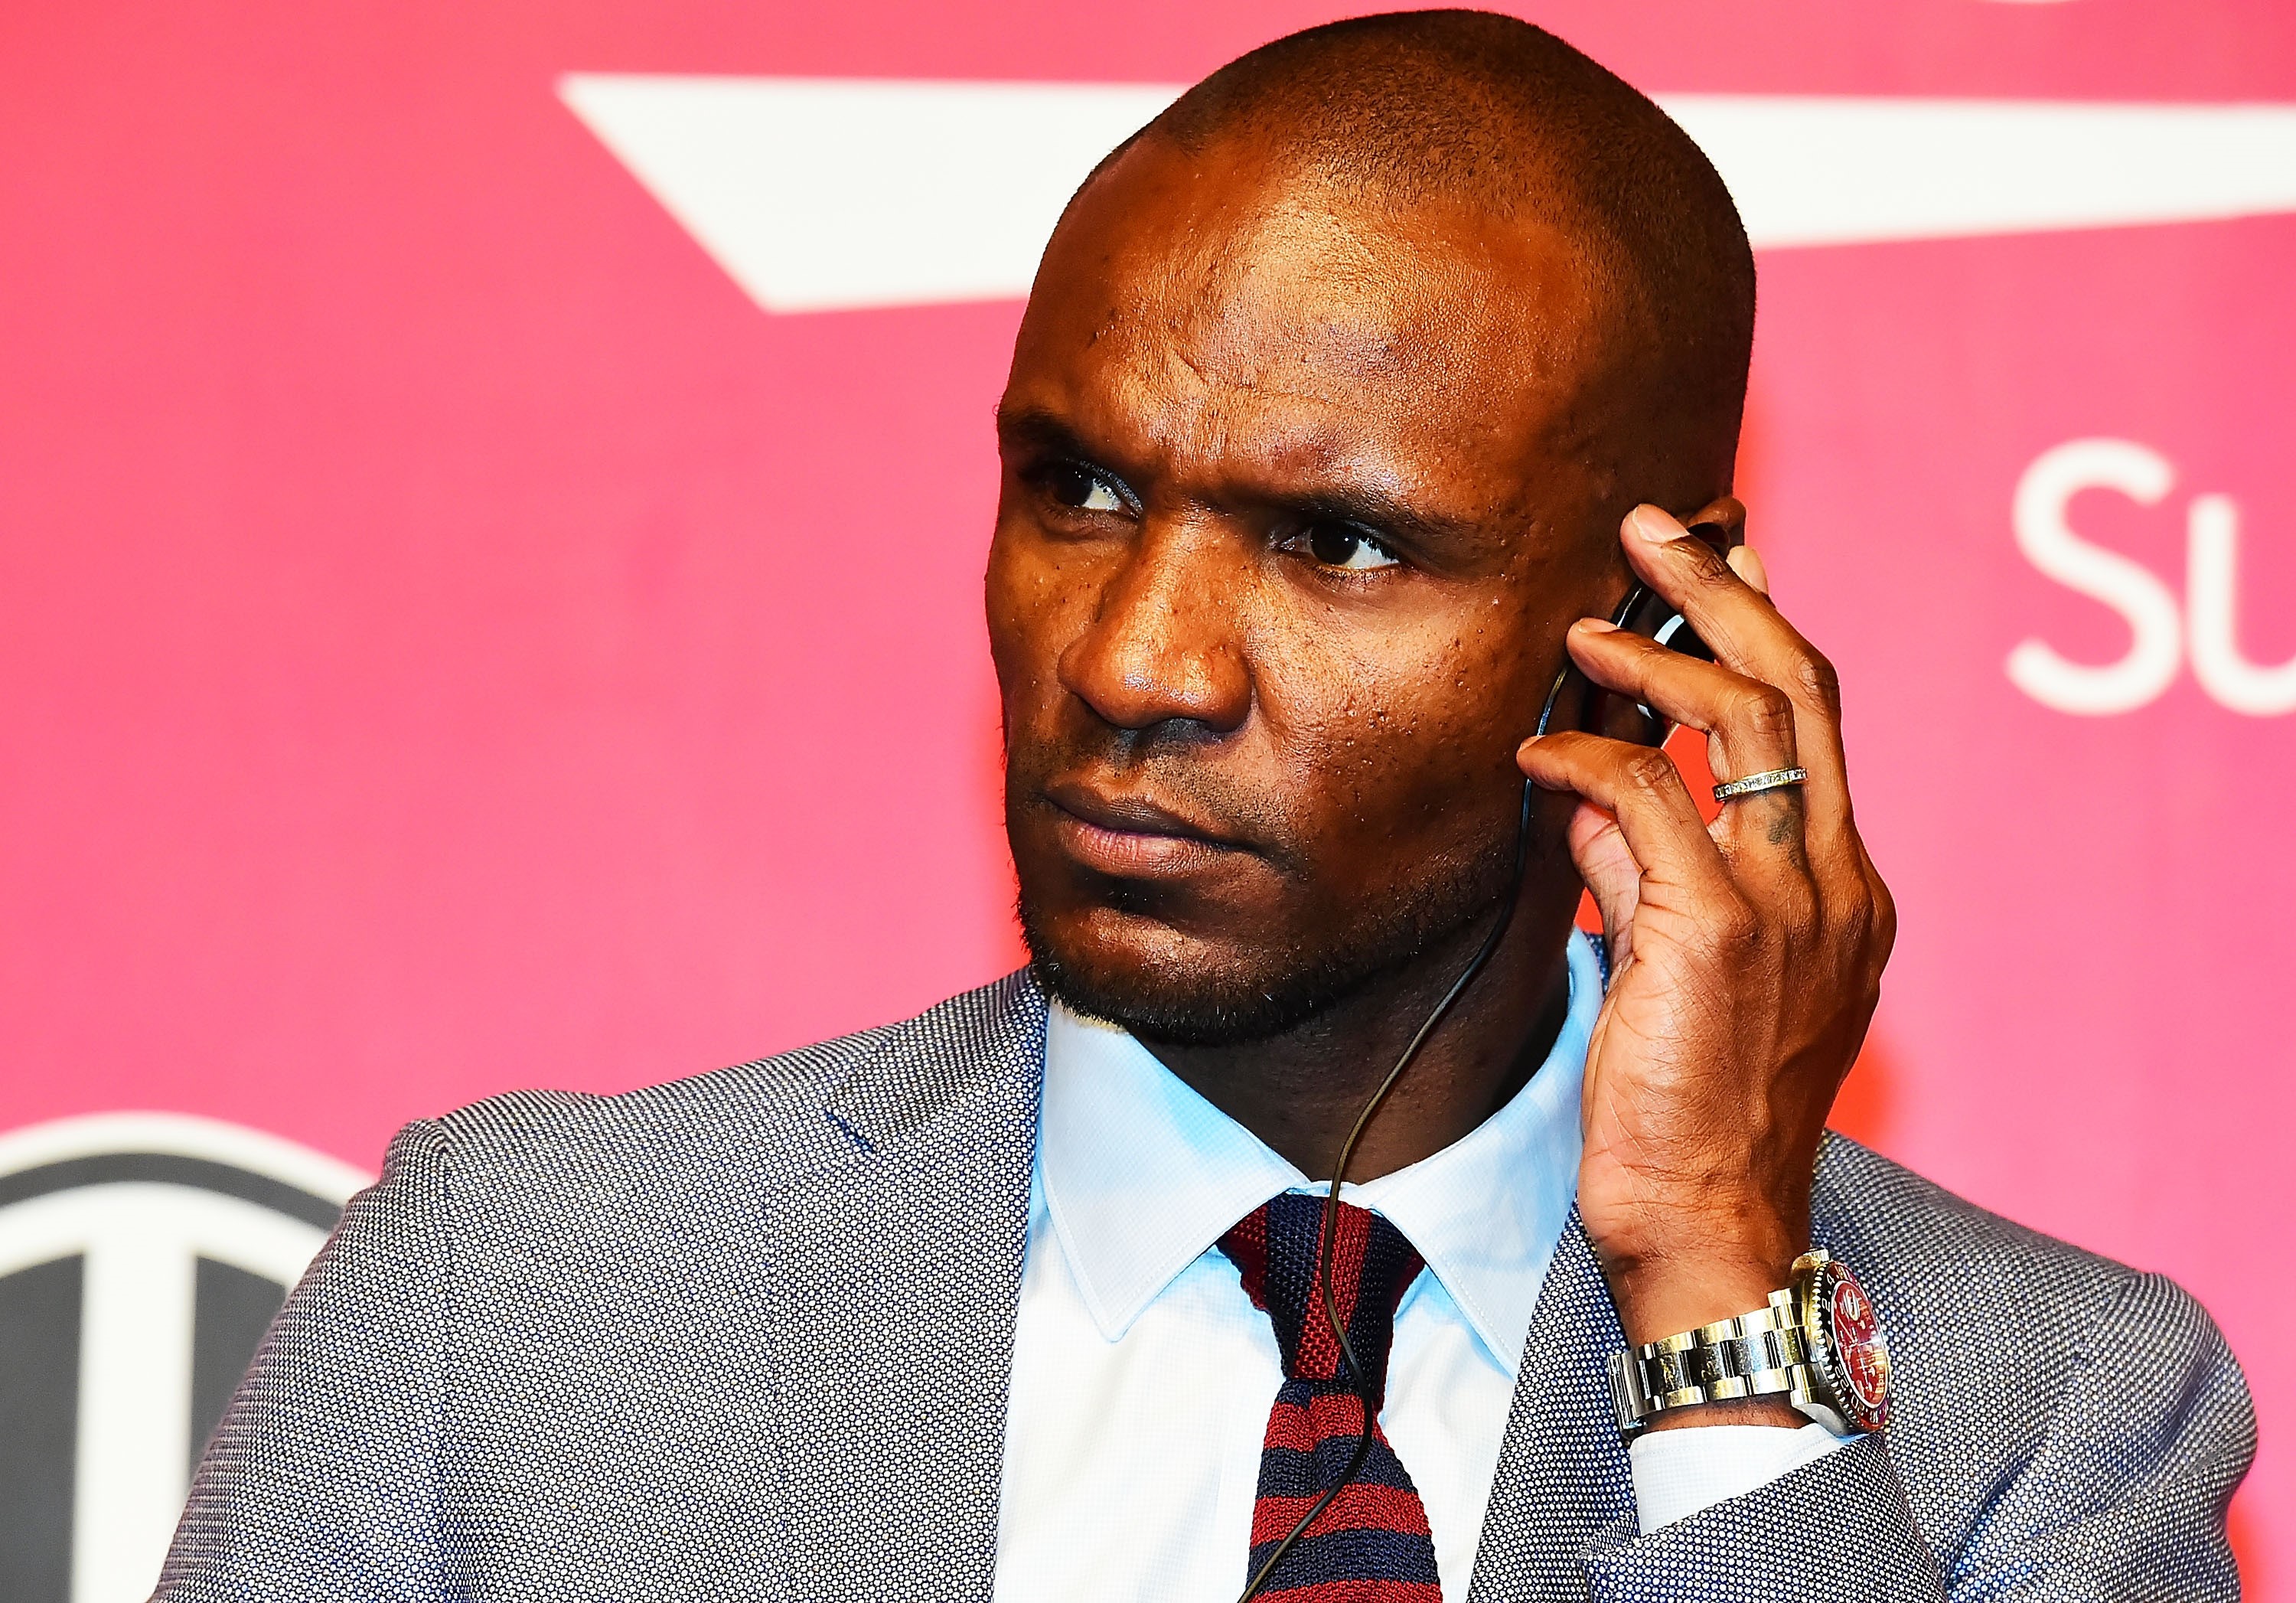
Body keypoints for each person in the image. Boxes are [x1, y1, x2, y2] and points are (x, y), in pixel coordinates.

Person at [157, 11, 2252, 1601]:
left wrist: (1715, 1292)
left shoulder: (2051, 1416)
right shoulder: (525, 1292)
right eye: (1076, 487)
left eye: (1336, 543)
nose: (1135, 661)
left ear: (1648, 621)